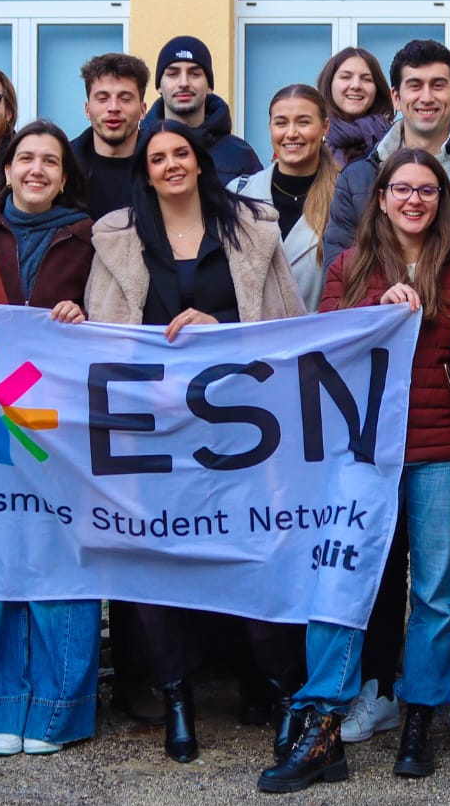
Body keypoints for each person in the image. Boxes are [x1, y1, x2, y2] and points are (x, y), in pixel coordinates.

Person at [261, 150, 450, 792]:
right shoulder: (350, 265)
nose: (414, 200)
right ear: (380, 198)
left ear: (442, 198)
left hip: (444, 447)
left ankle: (420, 718)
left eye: (427, 190)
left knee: (437, 592)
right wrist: (374, 313)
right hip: (361, 450)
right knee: (338, 583)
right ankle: (323, 723)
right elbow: (325, 345)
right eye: (401, 189)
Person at [84, 119, 305, 762]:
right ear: (146, 172)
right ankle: (177, 698)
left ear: (201, 163)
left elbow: (286, 329)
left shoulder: (252, 229)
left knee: (255, 556)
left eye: (181, 153)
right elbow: (100, 335)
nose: (171, 164)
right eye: (158, 158)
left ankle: (282, 693)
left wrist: (221, 327)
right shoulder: (117, 238)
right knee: (159, 564)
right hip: (150, 433)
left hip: (242, 431)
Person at [0, 120, 100, 756]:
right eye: (25, 158)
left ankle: (57, 710)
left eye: (49, 161)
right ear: (5, 170)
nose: (36, 169)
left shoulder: (90, 238)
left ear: (63, 177)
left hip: (62, 430)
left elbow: (115, 323)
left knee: (63, 564)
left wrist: (85, 315)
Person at [325, 39, 450, 265]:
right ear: (396, 98)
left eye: (438, 85)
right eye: (415, 86)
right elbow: (337, 270)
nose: (426, 97)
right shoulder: (356, 177)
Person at [227, 84, 336, 313]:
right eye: (281, 123)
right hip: (254, 334)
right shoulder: (238, 194)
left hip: (320, 334)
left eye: (303, 122)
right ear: (270, 128)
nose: (291, 133)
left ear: (324, 127)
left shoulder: (343, 197)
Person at [145, 36, 262, 181]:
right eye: (173, 74)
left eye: (194, 74)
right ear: (159, 86)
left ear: (209, 86)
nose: (184, 83)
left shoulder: (240, 156)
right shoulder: (140, 150)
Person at [69, 52, 151, 219]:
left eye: (125, 98)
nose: (113, 107)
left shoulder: (163, 165)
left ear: (143, 110)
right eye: (102, 98)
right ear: (87, 109)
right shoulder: (65, 167)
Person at [317, 45, 394, 169]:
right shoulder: (312, 141)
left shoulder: (394, 141)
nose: (356, 85)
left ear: (377, 89)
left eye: (366, 79)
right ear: (329, 84)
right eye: (345, 77)